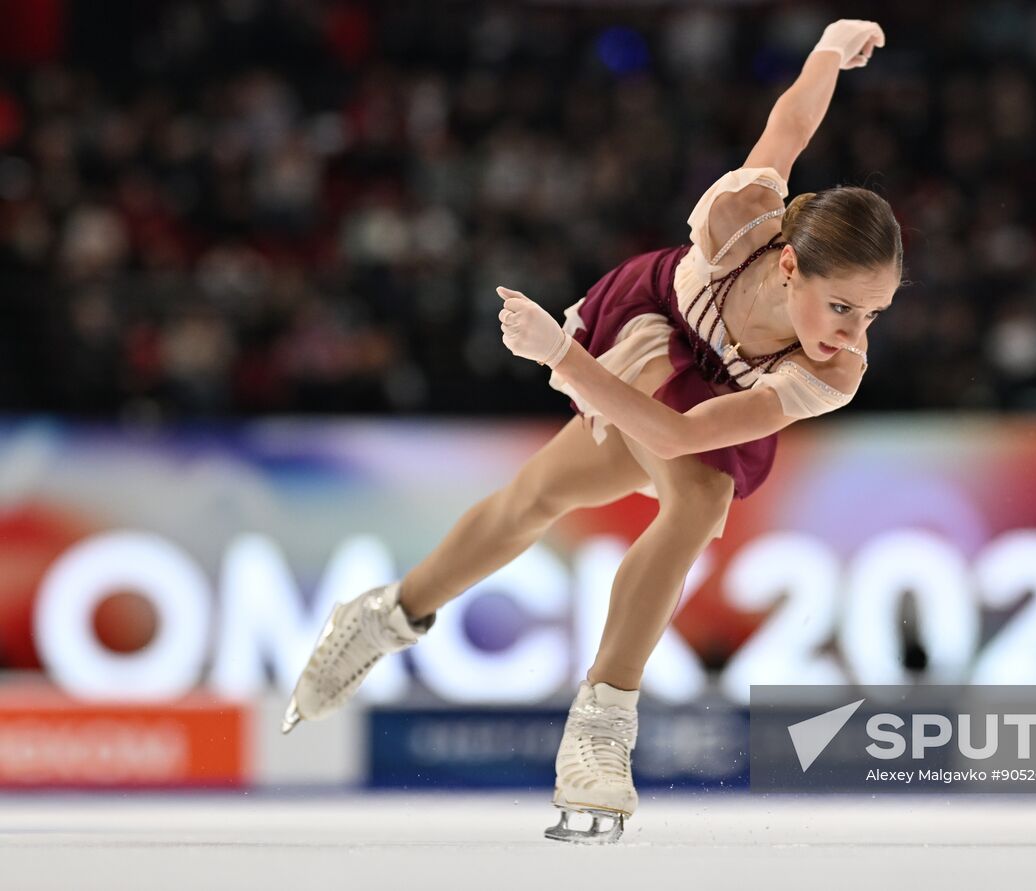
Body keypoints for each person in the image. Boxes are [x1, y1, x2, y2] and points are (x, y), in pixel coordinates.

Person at [281, 19, 898, 844]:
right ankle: (387, 617)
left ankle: (599, 727)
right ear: (790, 266)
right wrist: (825, 49)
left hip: (690, 398)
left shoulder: (834, 371)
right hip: (650, 326)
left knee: (691, 500)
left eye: (876, 313)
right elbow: (788, 127)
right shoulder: (743, 218)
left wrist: (562, 361)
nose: (856, 333)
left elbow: (682, 438)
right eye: (844, 307)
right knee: (533, 501)